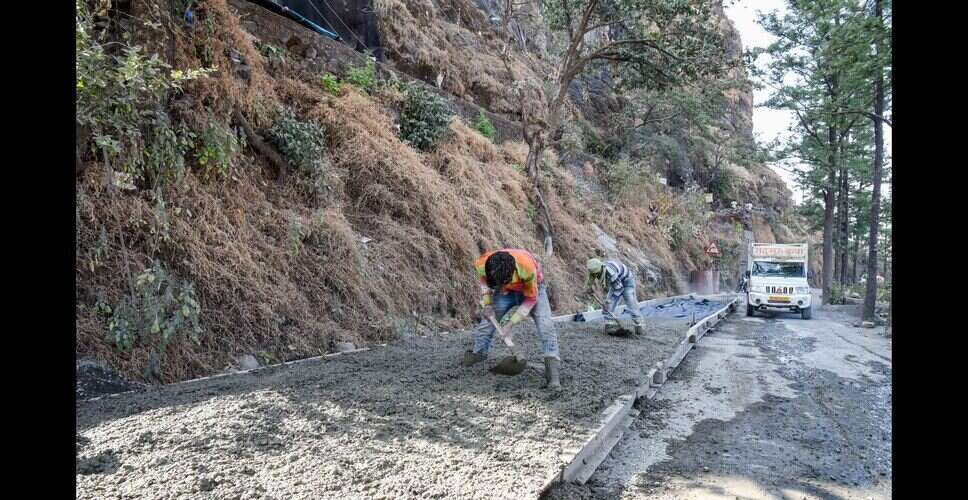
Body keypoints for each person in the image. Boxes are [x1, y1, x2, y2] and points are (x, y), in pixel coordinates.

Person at [462, 249, 561, 390]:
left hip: (533, 288)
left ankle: (553, 374)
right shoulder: (483, 264)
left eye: (503, 284)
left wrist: (510, 324)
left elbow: (530, 300)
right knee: (487, 324)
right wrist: (488, 302)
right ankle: (478, 355)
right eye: (499, 286)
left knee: (546, 325)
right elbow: (484, 281)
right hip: (507, 289)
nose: (501, 290)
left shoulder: (527, 269)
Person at [585, 258, 645, 336]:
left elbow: (619, 289)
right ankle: (610, 325)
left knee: (630, 301)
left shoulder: (610, 272)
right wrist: (588, 288)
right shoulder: (594, 270)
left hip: (627, 281)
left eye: (596, 273)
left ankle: (639, 325)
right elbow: (590, 280)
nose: (595, 275)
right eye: (594, 274)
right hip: (616, 282)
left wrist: (609, 301)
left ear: (600, 269)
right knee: (609, 305)